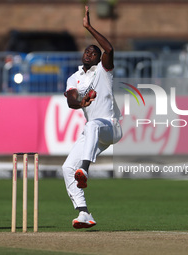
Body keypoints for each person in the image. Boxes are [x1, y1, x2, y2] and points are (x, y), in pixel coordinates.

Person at [62, 6, 122, 229]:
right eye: (87, 51)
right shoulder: (74, 77)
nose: (89, 54)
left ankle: (85, 169)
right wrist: (81, 103)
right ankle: (84, 212)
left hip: (111, 127)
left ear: (99, 59)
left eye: (93, 53)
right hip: (93, 133)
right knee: (67, 168)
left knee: (94, 124)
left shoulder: (104, 71)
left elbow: (110, 48)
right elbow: (71, 101)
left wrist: (88, 27)